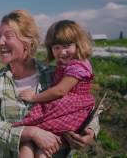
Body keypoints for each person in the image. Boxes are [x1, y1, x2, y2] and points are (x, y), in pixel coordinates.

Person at [0, 10, 100, 158]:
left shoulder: (55, 75)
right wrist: (32, 132)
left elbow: (83, 104)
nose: (0, 42)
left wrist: (90, 131)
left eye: (8, 36)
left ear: (28, 41)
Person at [12, 20, 95, 158]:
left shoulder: (77, 66)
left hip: (69, 112)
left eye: (67, 46)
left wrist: (34, 97)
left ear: (78, 44)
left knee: (37, 145)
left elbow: (60, 91)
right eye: (56, 47)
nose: (62, 52)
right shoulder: (64, 65)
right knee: (30, 144)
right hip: (65, 110)